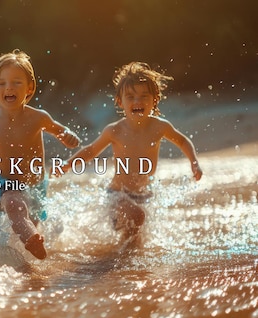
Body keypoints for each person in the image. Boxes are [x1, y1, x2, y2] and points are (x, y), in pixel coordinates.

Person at [60, 61, 203, 248]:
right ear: (121, 102)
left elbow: (183, 141)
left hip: (143, 195)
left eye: (144, 96)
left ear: (155, 100)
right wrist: (68, 164)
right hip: (117, 195)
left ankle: (120, 270)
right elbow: (91, 150)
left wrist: (194, 162)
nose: (138, 101)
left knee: (136, 243)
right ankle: (114, 265)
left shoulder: (160, 127)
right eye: (131, 97)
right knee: (137, 218)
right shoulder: (115, 130)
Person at [0, 50, 81, 260]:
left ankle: (24, 258)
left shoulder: (38, 118)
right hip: (6, 182)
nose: (8, 87)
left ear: (30, 88)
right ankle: (32, 239)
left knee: (28, 222)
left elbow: (59, 130)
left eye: (16, 82)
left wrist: (68, 136)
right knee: (15, 207)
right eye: (1, 83)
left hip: (36, 185)